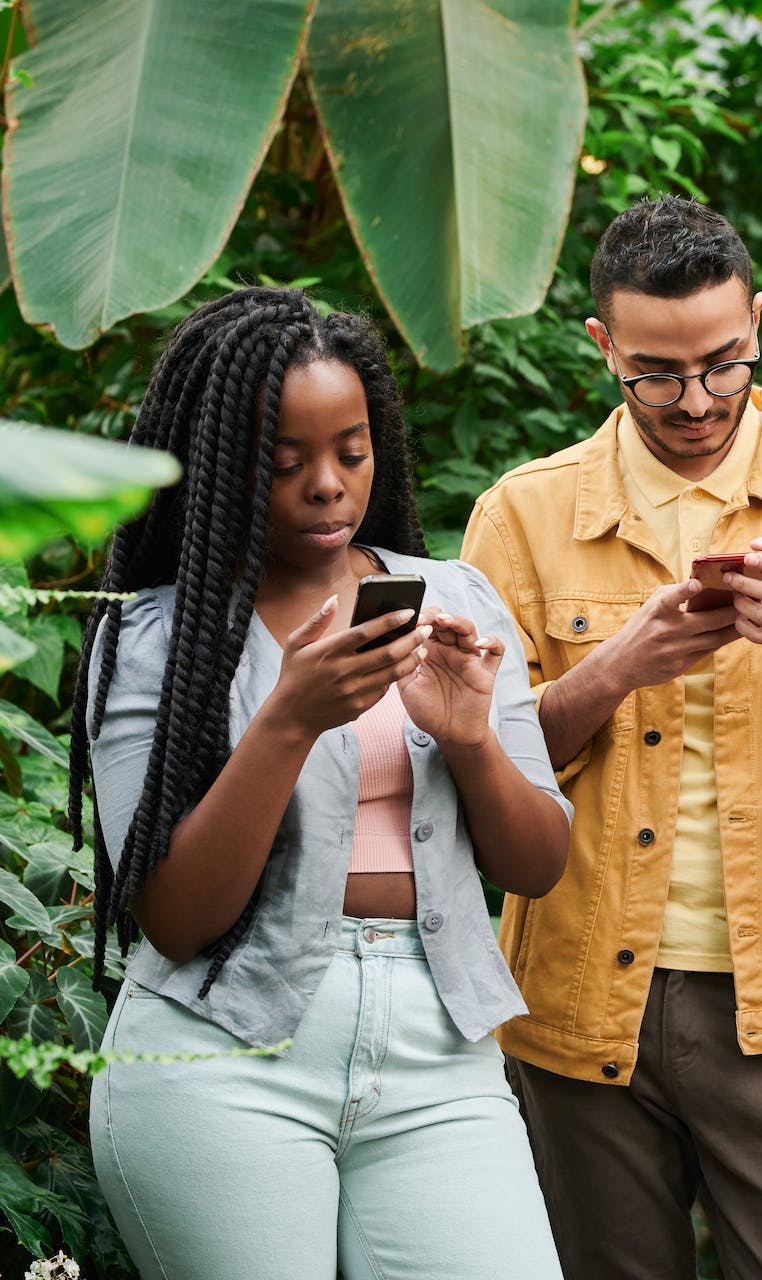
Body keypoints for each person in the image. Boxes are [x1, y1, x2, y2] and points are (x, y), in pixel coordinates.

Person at [461, 196, 762, 1279]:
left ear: (757, 321)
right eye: (657, 374)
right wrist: (615, 669)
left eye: (724, 364)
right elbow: (473, 761)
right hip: (582, 1000)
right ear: (602, 347)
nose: (696, 401)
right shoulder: (521, 514)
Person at [72, 288, 572, 1279]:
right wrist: (290, 720)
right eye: (284, 460)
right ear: (222, 463)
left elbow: (539, 862)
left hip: (440, 1051)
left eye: (350, 449)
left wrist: (471, 739)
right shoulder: (151, 640)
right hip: (221, 1056)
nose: (326, 486)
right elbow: (174, 915)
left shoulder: (458, 599)